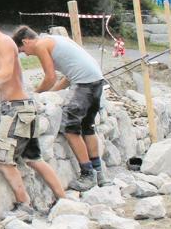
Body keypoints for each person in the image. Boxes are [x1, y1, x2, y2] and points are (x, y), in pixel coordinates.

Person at [0, 6, 66, 219]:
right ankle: (64, 199)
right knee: (34, 158)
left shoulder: (4, 42)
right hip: (22, 109)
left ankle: (24, 203)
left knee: (2, 159)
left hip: (17, 110)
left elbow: (6, 73)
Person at [12, 26, 108, 190]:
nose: (26, 54)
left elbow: (50, 77)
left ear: (26, 41)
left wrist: (35, 94)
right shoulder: (57, 40)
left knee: (70, 129)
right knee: (87, 127)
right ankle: (99, 174)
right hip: (96, 81)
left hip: (84, 84)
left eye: (22, 50)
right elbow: (67, 77)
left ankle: (87, 174)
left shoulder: (41, 45)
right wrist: (50, 93)